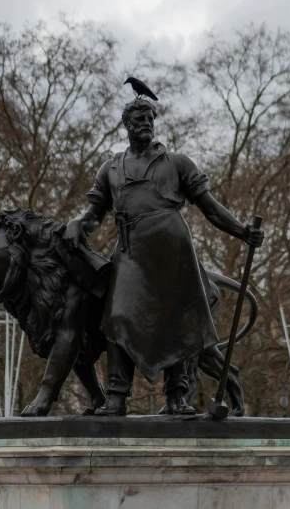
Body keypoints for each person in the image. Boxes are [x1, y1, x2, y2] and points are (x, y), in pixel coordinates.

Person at [64, 97, 264, 415]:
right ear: (127, 125)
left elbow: (210, 207)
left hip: (174, 252)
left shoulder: (177, 163)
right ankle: (116, 395)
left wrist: (241, 231)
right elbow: (94, 214)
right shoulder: (111, 169)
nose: (146, 123)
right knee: (117, 317)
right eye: (139, 119)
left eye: (150, 118)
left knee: (178, 322)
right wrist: (78, 223)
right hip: (130, 253)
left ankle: (176, 396)